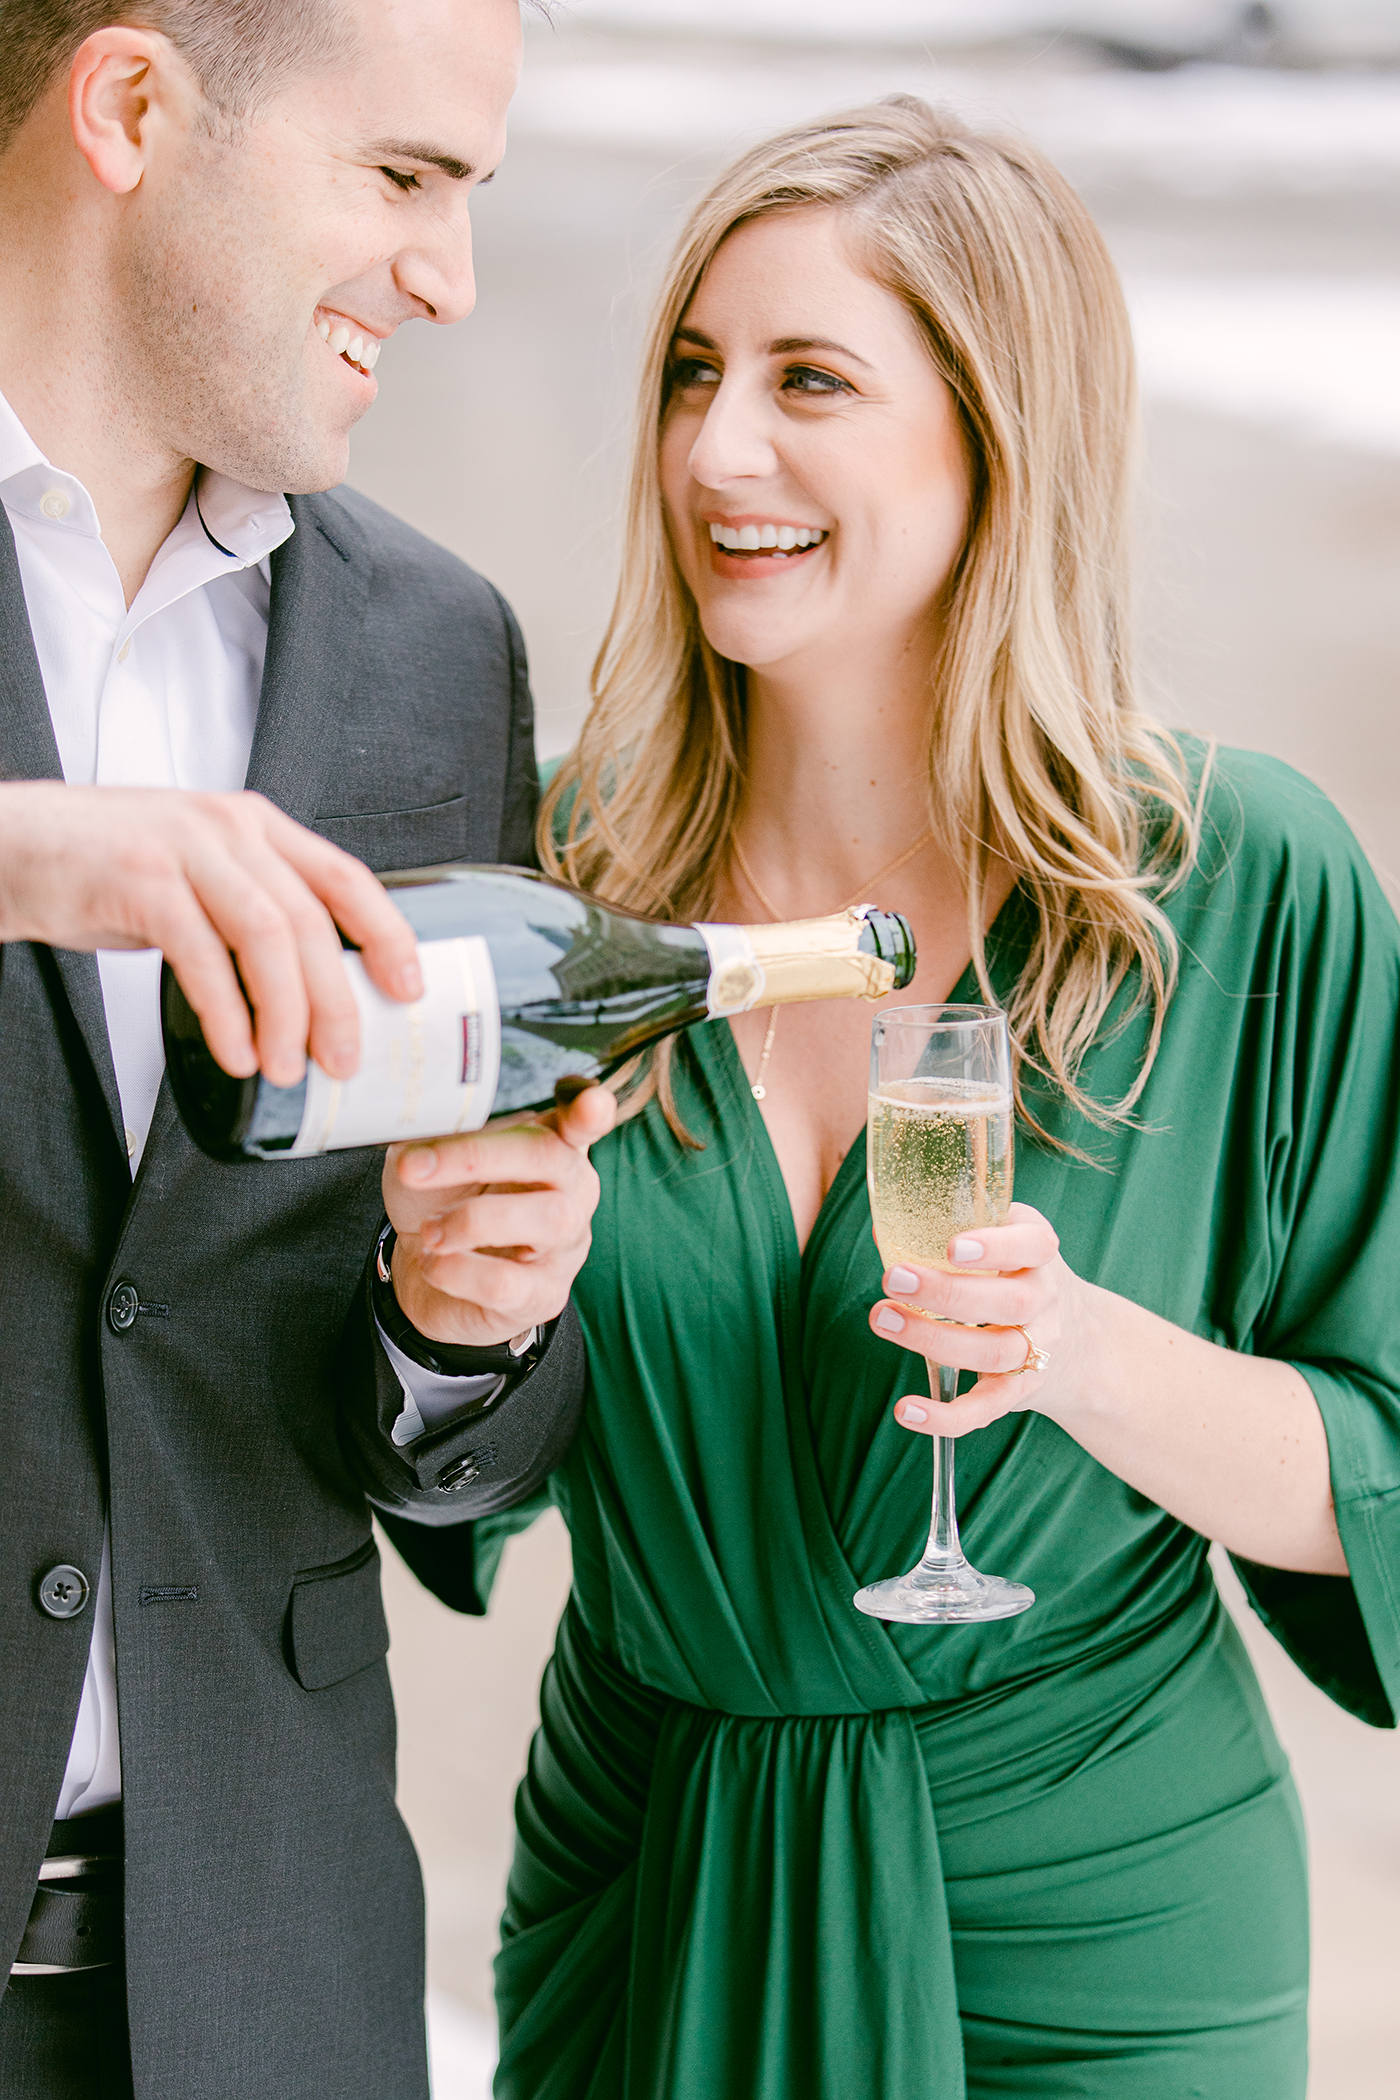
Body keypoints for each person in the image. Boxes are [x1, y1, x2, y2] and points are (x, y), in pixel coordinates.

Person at [467, 98, 1400, 2099]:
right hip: (646, 1885)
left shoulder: (1238, 889)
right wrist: (452, 1316)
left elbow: (1380, 1476)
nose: (721, 451)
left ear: (999, 435)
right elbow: (441, 1462)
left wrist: (1080, 1357)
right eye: (694, 375)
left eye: (812, 380)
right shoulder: (557, 895)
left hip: (1092, 1926)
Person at [0, 4, 614, 2096]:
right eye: (400, 179)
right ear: (136, 105)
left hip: (263, 1983)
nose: (446, 278)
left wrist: (466, 1325)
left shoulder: (439, 656)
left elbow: (448, 1493)